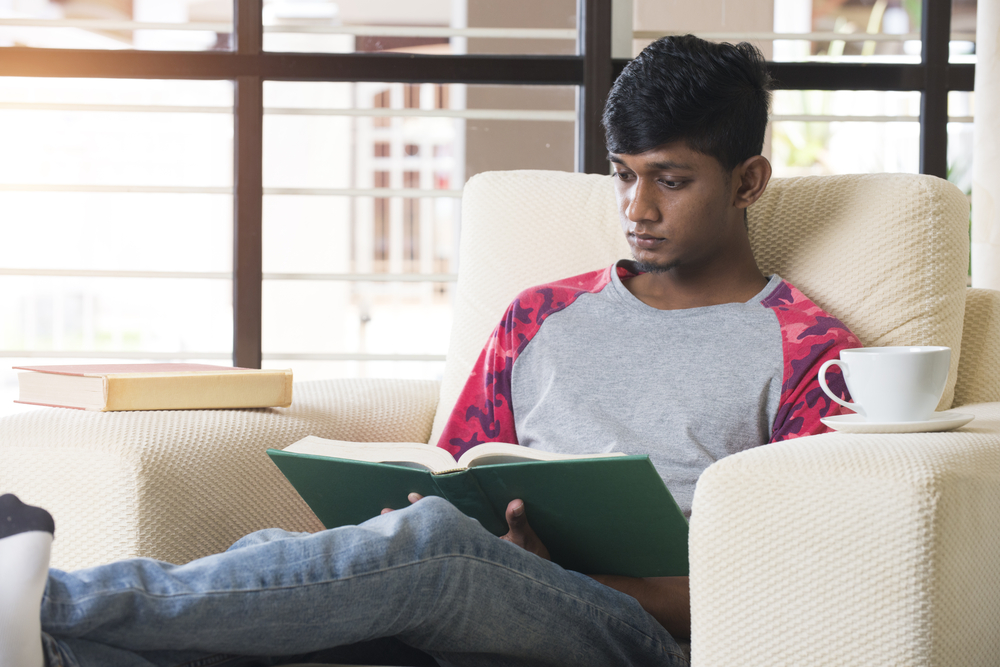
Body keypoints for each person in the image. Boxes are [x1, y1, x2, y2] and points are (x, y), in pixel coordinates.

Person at [0, 35, 858, 667]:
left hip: (634, 634)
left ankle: (47, 593)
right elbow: (450, 477)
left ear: (748, 181)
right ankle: (37, 640)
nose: (636, 205)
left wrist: (554, 571)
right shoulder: (539, 314)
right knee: (280, 598)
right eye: (622, 172)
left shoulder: (811, 353)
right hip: (468, 596)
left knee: (433, 550)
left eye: (669, 179)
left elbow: (793, 578)